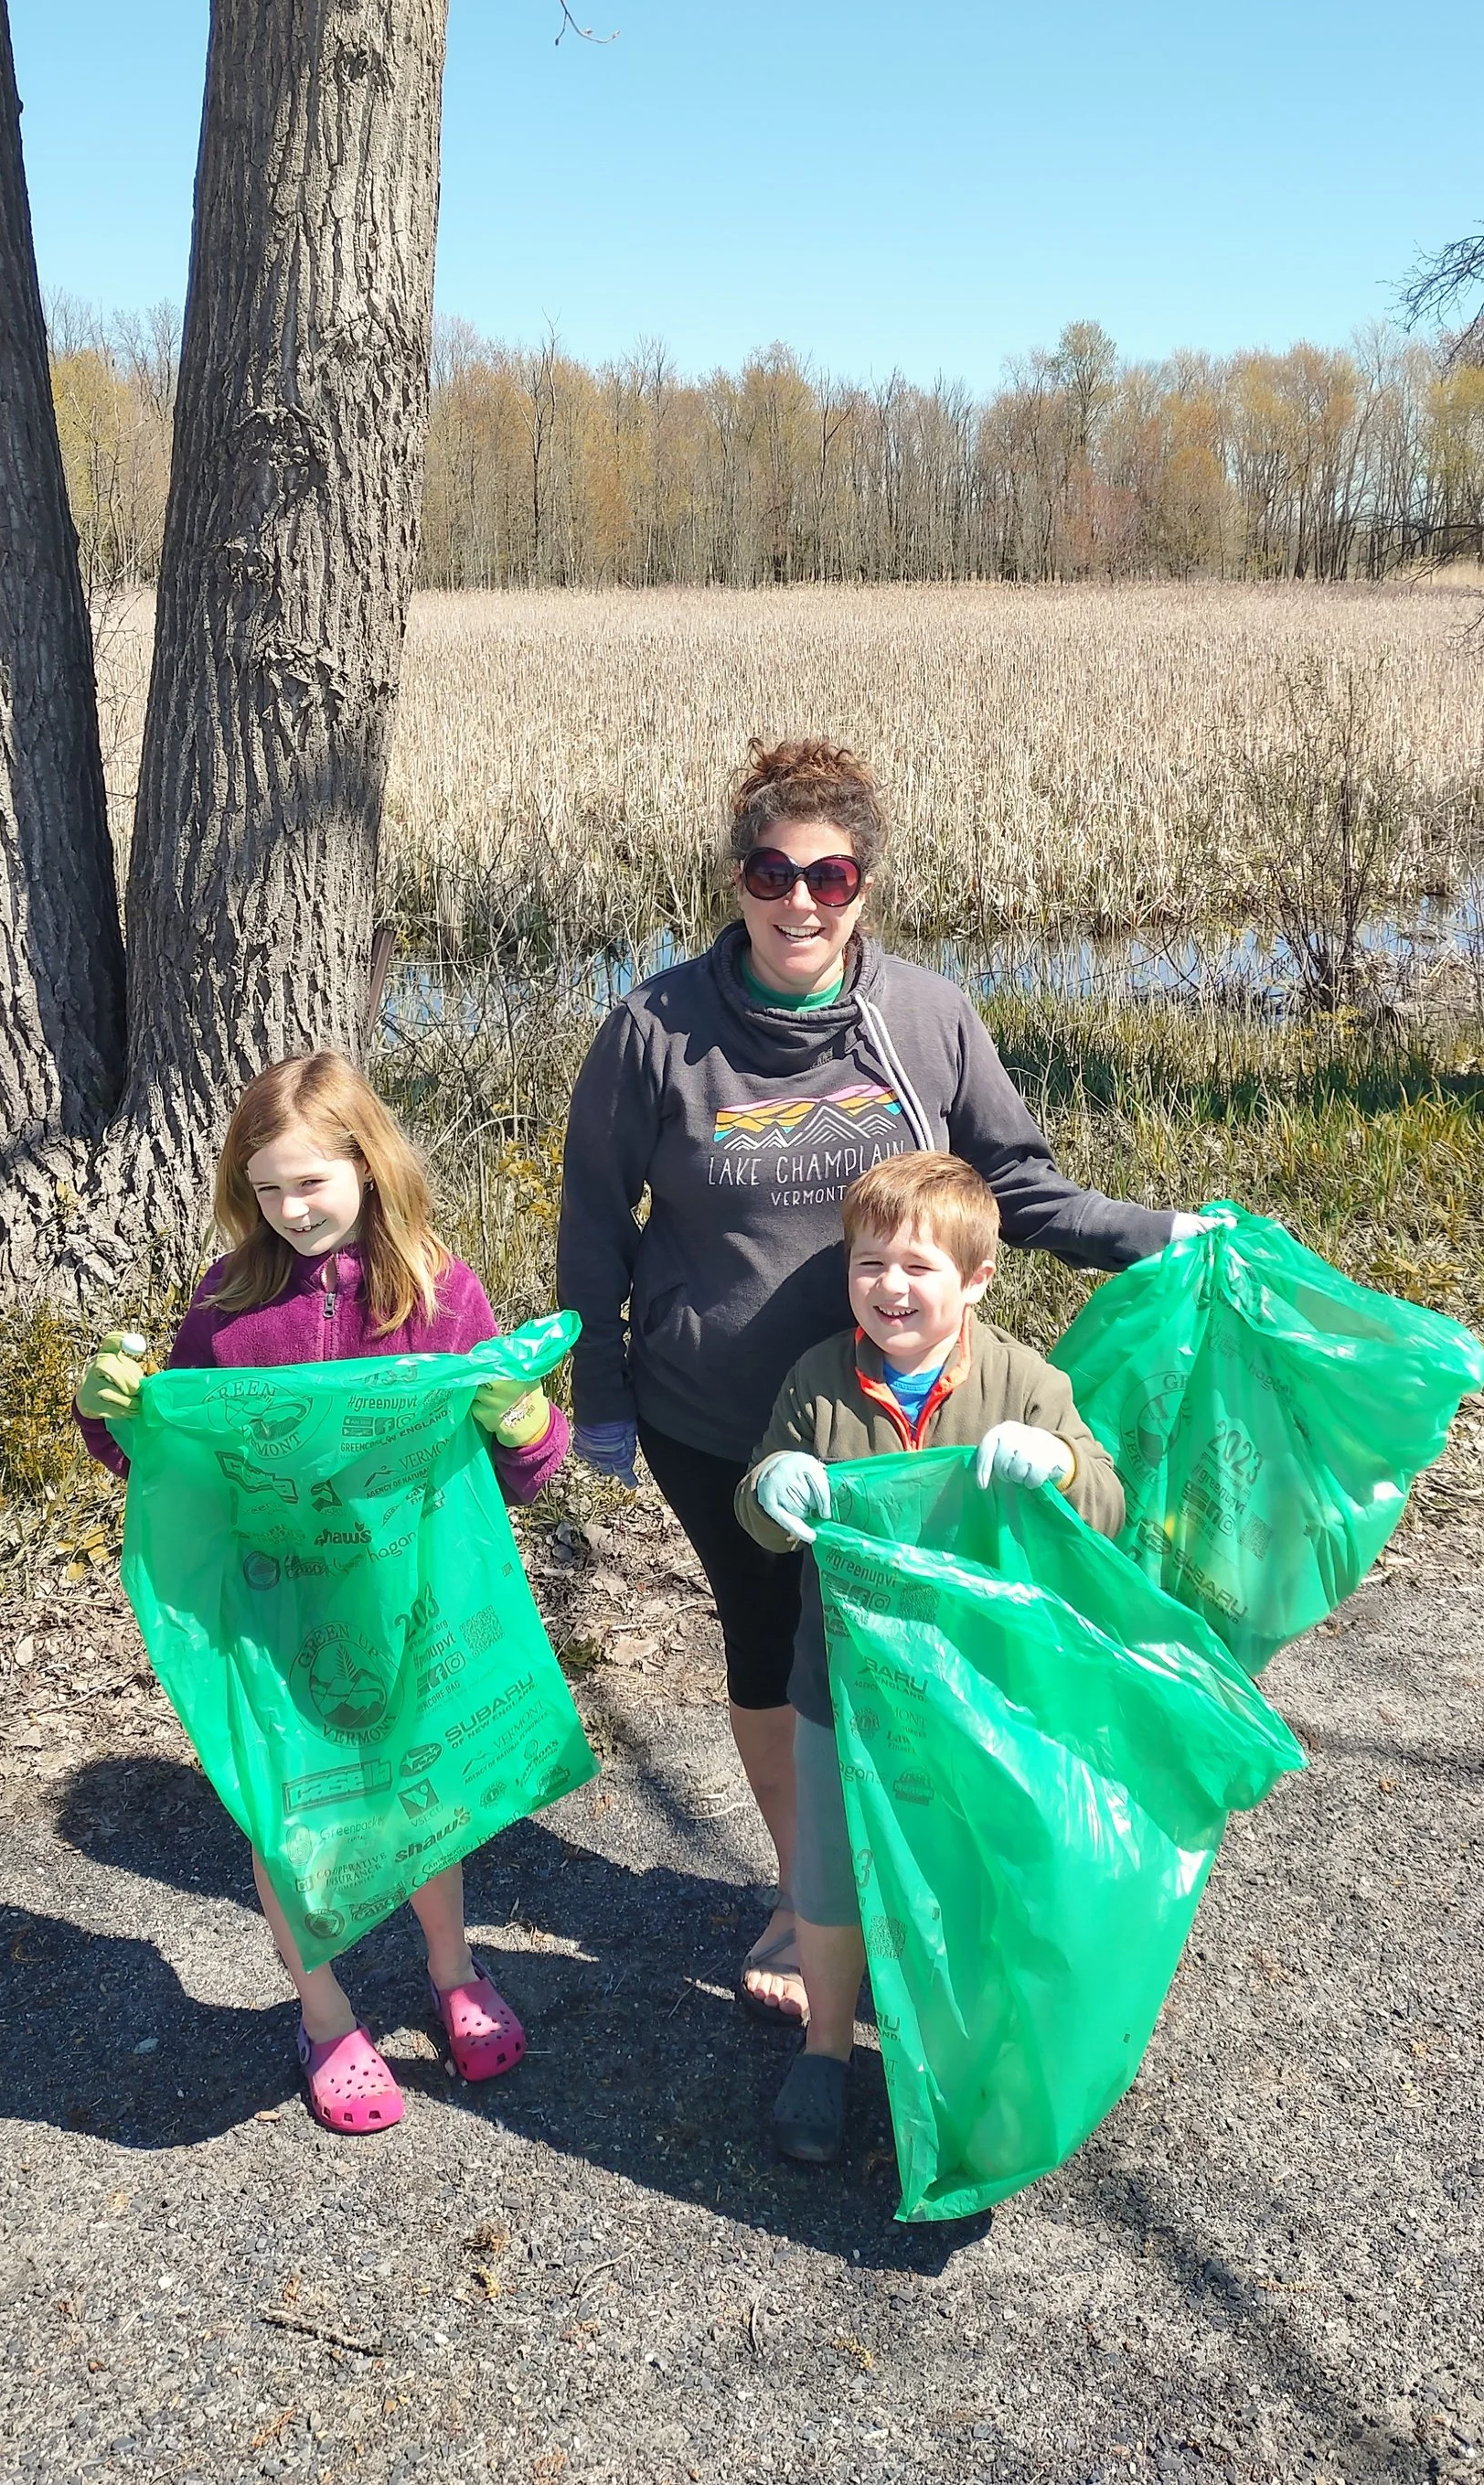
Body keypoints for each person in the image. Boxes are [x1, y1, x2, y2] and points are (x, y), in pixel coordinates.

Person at [556, 735, 1203, 2024]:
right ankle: (808, 1889)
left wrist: (1163, 1235)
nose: (800, 899)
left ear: (867, 888)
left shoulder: (925, 1019)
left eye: (831, 875)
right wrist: (603, 1394)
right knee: (772, 1653)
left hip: (908, 1426)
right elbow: (592, 1222)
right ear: (735, 879)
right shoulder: (654, 1032)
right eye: (772, 869)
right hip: (723, 1426)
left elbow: (1015, 1186)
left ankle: (923, 1883)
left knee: (914, 1658)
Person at [74, 1049, 567, 2138]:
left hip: (411, 1601)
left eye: (311, 1182)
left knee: (420, 1794)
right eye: (264, 1190)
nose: (291, 1210)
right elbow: (177, 1464)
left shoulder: (440, 1293)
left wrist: (527, 1424)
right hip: (275, 1607)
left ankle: (452, 1971)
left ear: (370, 1166)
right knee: (285, 1806)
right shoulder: (229, 1305)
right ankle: (326, 2011)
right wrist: (112, 1415)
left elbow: (519, 1476)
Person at [732, 1149, 1126, 2165]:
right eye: (868, 1265)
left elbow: (1107, 1509)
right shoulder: (819, 1382)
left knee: (973, 1874)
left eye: (917, 1267)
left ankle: (964, 2055)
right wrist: (771, 1484)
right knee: (826, 1878)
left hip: (985, 1694)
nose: (890, 1287)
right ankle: (825, 2047)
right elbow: (761, 1512)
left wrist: (1065, 1464)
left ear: (977, 1280)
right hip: (843, 1689)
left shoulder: (1023, 1381)